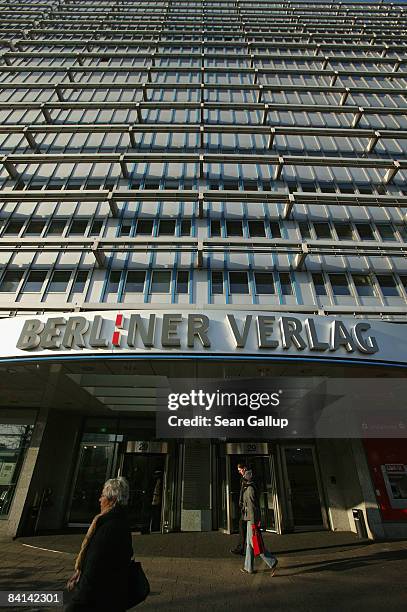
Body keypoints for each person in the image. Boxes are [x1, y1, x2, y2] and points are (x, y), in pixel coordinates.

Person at [64, 477, 133, 612]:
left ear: (112, 499)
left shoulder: (107, 528)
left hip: (98, 599)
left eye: (102, 496)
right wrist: (80, 571)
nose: (99, 500)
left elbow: (94, 565)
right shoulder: (123, 523)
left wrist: (76, 603)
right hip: (112, 597)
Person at [241, 470, 278, 575]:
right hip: (249, 519)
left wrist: (253, 523)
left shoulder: (250, 489)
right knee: (249, 544)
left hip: (251, 520)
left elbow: (253, 507)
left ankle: (272, 561)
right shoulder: (250, 488)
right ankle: (248, 567)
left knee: (255, 543)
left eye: (243, 479)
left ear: (247, 480)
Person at [230, 463, 249, 555]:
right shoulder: (244, 479)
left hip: (247, 509)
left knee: (245, 528)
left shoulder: (248, 479)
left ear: (244, 468)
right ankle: (241, 548)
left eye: (239, 470)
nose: (239, 472)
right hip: (245, 508)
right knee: (243, 528)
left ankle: (241, 548)